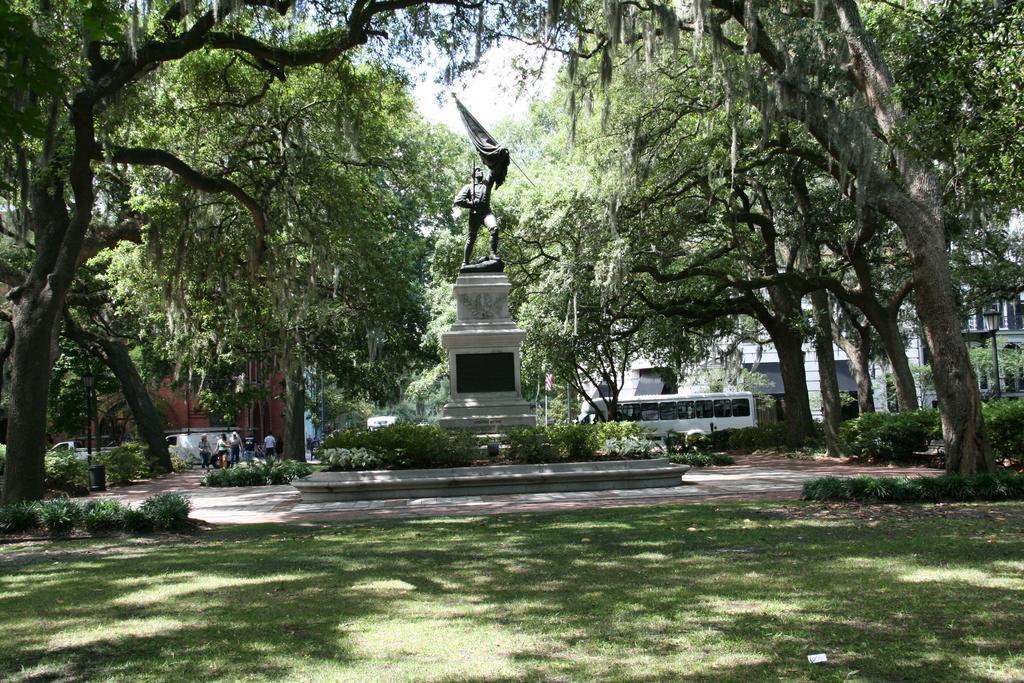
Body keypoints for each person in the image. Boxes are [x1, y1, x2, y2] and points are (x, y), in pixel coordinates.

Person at [453, 167, 499, 265]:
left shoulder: (487, 183)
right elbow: (458, 201)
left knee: (494, 229)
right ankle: (465, 262)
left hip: (486, 213)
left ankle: (492, 254)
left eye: (481, 170)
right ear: (473, 175)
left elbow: (493, 169)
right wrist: (471, 204)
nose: (480, 171)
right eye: (477, 170)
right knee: (471, 239)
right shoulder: (469, 187)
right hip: (474, 215)